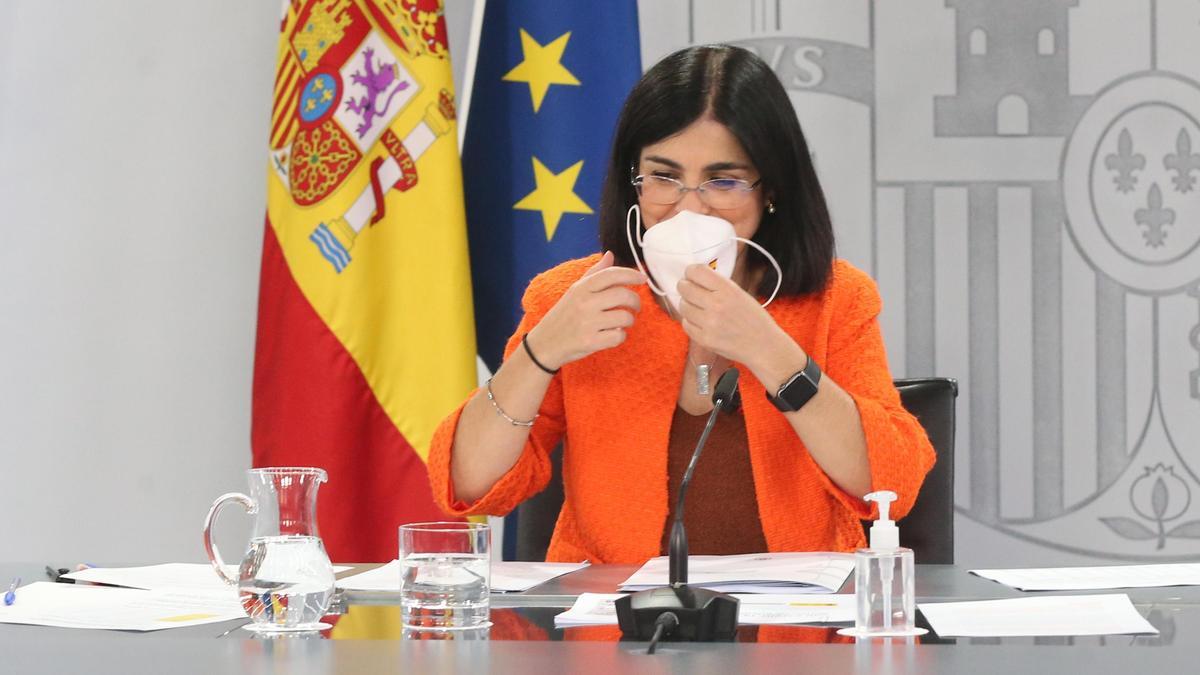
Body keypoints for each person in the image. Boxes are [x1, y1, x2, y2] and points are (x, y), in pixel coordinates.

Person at [427, 44, 935, 564]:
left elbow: (890, 484)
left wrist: (771, 353)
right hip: (616, 630)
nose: (689, 207)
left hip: (796, 630)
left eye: (723, 181)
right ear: (634, 182)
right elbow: (467, 483)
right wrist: (539, 355)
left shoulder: (835, 298)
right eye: (663, 177)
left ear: (772, 189)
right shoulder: (575, 297)